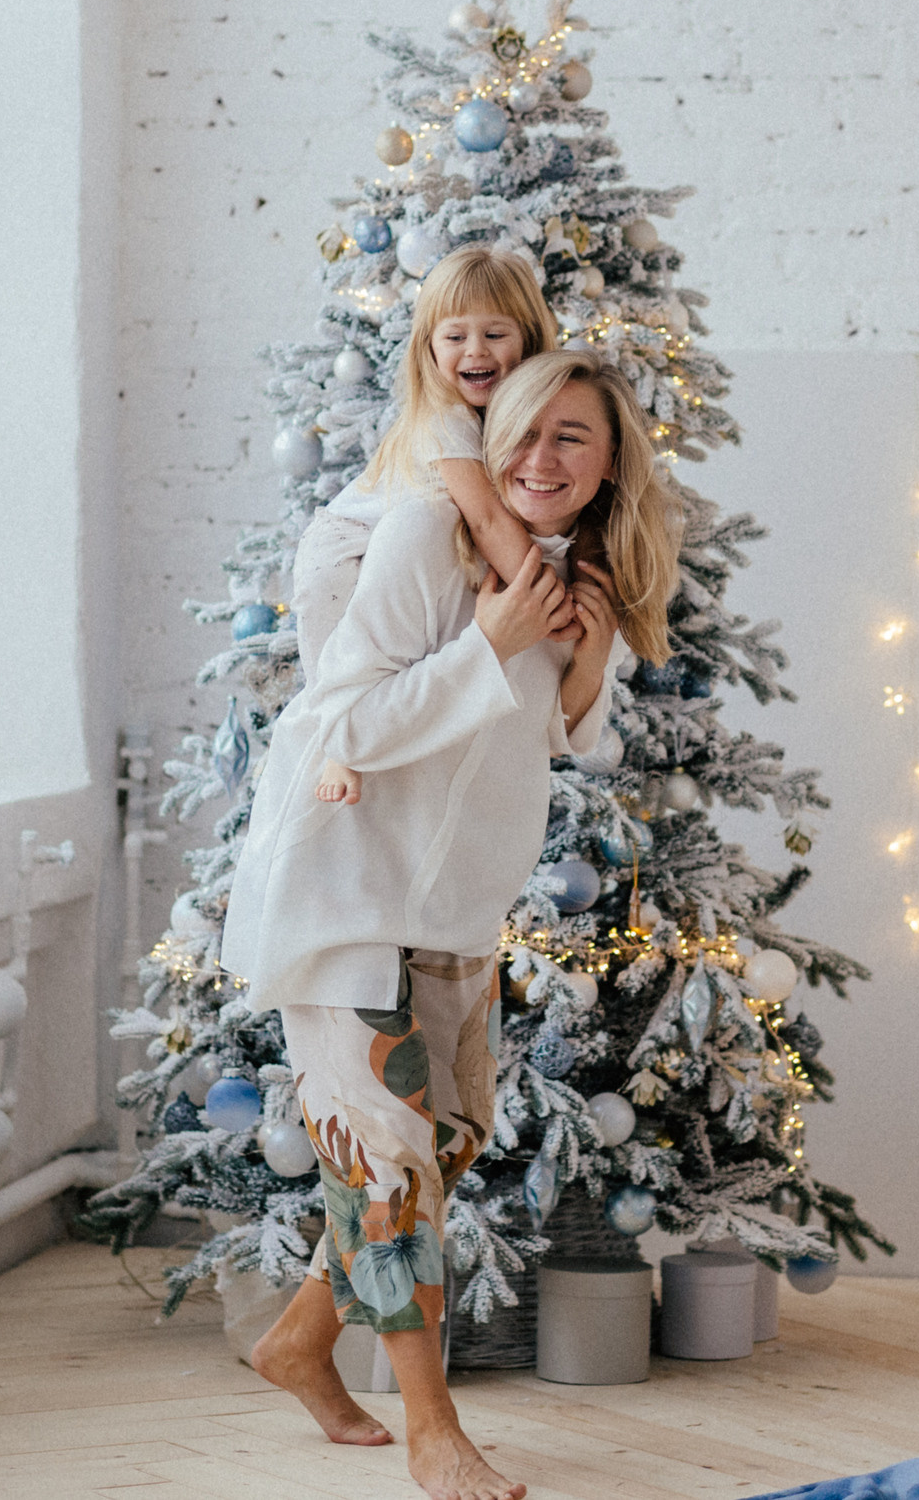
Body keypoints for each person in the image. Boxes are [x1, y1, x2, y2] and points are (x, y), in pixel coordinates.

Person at [225, 350, 681, 1500]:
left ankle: (295, 1340)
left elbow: (564, 739)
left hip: (455, 913)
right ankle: (435, 1432)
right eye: (521, 434)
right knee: (387, 1167)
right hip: (344, 900)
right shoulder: (426, 539)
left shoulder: (579, 575)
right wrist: (488, 642)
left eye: (570, 438)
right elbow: (346, 724)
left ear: (610, 458)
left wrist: (576, 642)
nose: (537, 459)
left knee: (452, 1141)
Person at [289, 245, 567, 810]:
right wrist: (546, 600)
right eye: (455, 336)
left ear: (529, 340)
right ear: (429, 347)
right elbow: (487, 518)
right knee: (340, 655)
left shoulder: (507, 416)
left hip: (382, 541)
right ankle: (336, 746)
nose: (476, 350)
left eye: (496, 333)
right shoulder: (445, 417)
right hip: (341, 546)